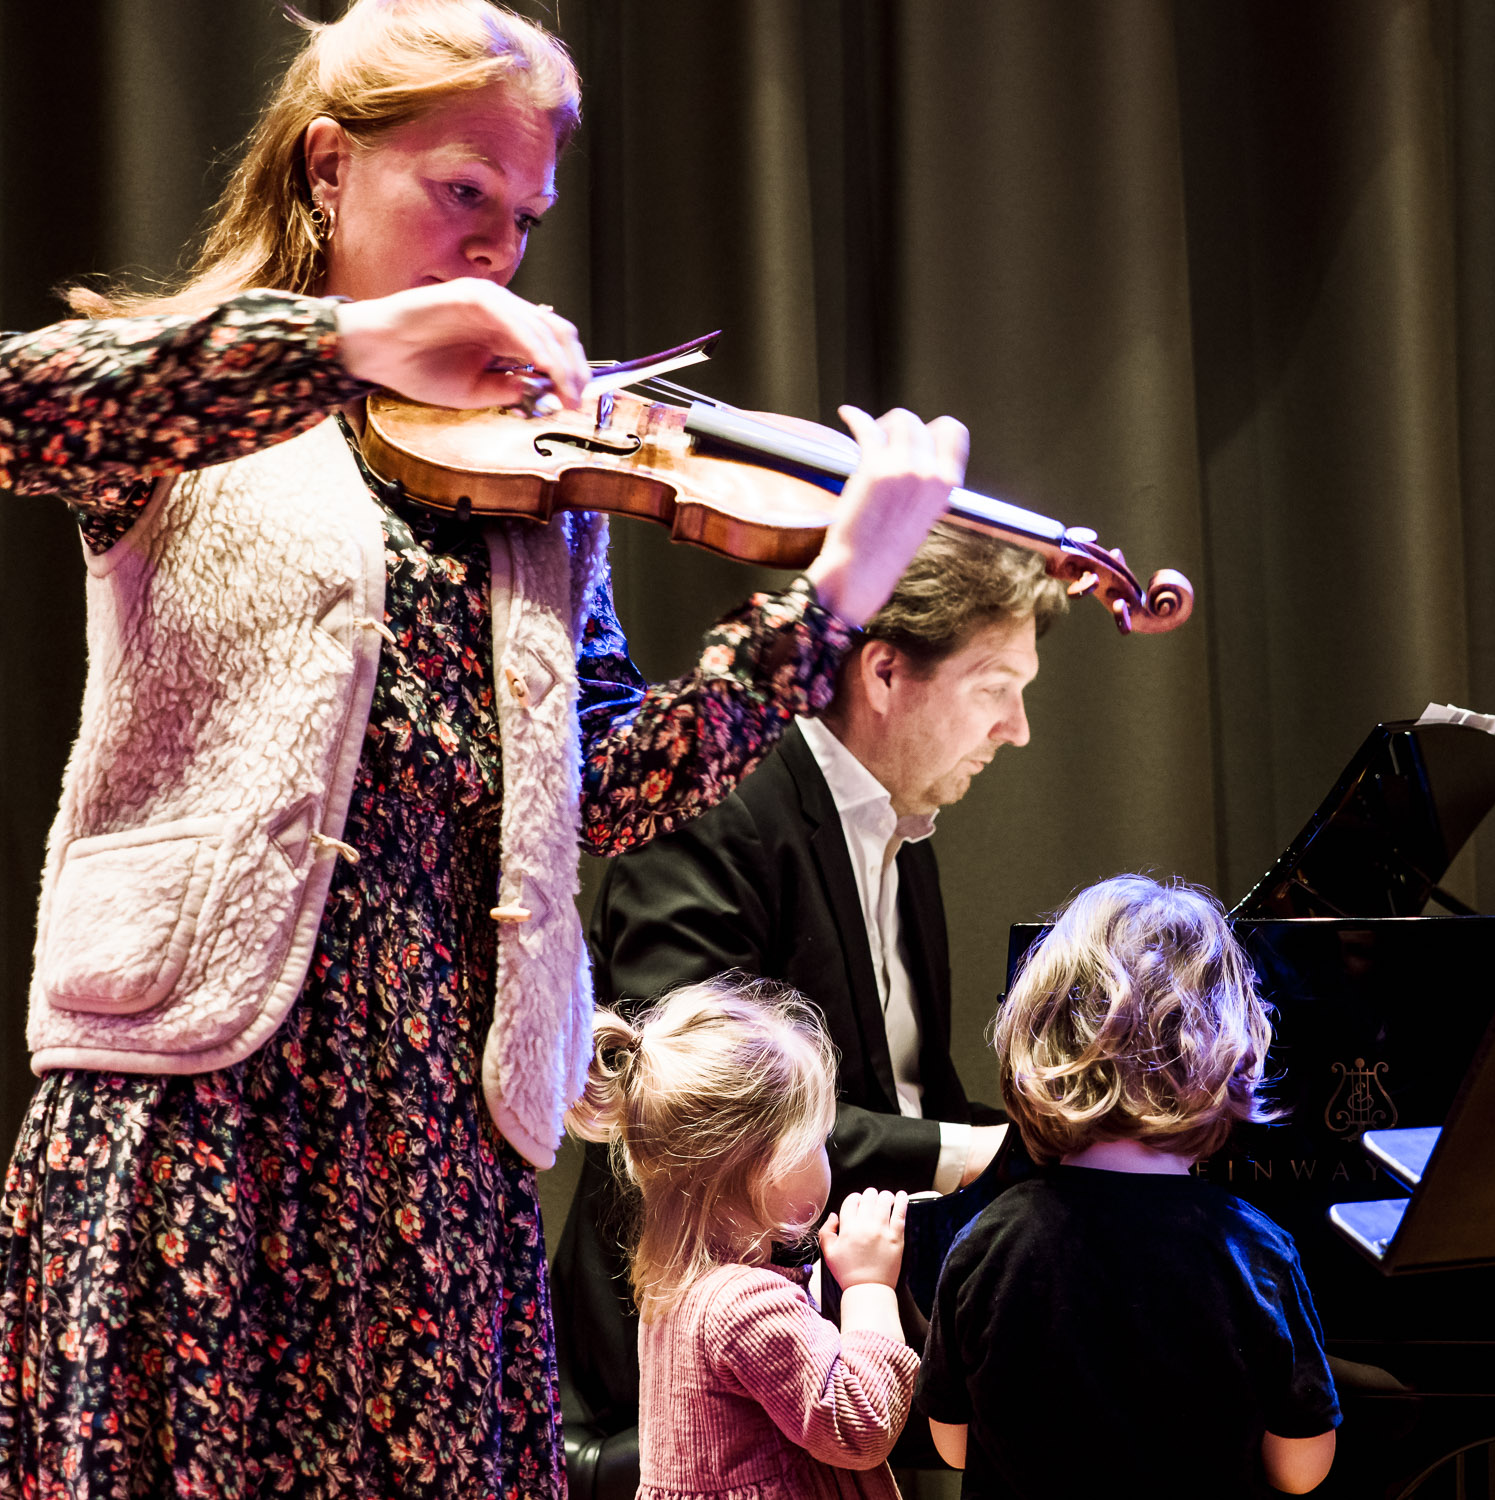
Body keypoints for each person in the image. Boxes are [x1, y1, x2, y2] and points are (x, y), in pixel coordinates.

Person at [0, 4, 970, 1496]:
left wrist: (838, 593)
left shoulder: (538, 490)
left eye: (521, 221)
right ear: (330, 165)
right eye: (464, 195)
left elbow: (619, 786)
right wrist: (350, 341)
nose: (496, 252)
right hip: (199, 1098)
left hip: (435, 1138)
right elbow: (25, 405)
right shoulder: (197, 399)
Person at [555, 523, 1066, 1436]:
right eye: (997, 690)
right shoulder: (712, 807)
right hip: (703, 1333)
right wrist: (989, 1156)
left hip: (851, 1279)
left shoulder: (900, 814)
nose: (1019, 731)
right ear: (882, 674)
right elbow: (708, 1112)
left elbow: (905, 1091)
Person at [915, 875, 1341, 1498]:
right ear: (1227, 1051)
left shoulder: (988, 1244)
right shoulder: (1254, 1252)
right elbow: (1301, 1471)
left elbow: (952, 1446)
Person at [565, 978, 917, 1500]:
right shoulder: (747, 1304)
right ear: (763, 1169)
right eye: (817, 1140)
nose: (828, 1156)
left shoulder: (679, 1291)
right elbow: (858, 1425)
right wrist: (870, 1286)